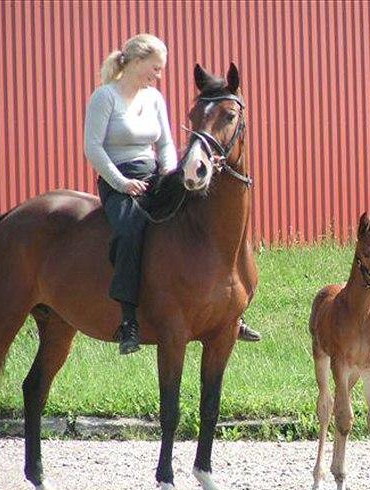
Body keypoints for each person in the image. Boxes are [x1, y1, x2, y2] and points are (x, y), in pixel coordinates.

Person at [84, 34, 260, 355]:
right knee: (129, 230)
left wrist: (171, 174)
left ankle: (230, 310)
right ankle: (129, 320)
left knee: (202, 216)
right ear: (137, 62)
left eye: (161, 69)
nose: (159, 75)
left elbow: (165, 144)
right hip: (119, 181)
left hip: (155, 175)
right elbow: (93, 148)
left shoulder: (154, 98)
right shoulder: (105, 97)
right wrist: (122, 183)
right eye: (156, 68)